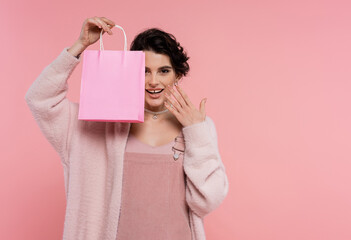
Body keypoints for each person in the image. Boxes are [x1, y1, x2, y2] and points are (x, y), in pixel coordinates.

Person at [25, 16, 229, 240]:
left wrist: (196, 132)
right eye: (144, 71)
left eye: (163, 71)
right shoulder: (98, 124)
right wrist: (79, 45)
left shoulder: (198, 127)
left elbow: (207, 201)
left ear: (177, 75)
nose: (153, 81)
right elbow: (40, 99)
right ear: (130, 72)